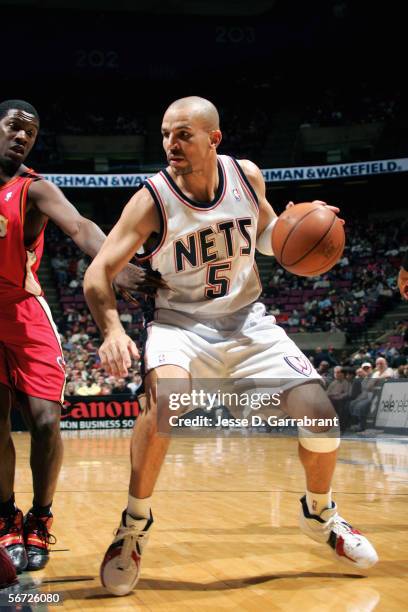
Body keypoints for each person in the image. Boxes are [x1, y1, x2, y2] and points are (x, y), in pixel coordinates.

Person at [84, 96, 378, 596]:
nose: (170, 145)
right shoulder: (152, 198)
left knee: (321, 416)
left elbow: (266, 234)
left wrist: (297, 223)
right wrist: (112, 330)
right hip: (180, 323)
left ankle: (321, 514)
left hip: (247, 321)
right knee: (165, 408)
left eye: (183, 135)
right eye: (165, 135)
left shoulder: (247, 175)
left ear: (213, 138)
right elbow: (98, 274)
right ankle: (133, 527)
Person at [0, 99, 163, 573]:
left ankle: (41, 516)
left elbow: (80, 226)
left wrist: (116, 266)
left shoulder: (34, 189)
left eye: (30, 131)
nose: (22, 136)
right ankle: (7, 516)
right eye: (14, 126)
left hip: (24, 312)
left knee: (46, 421)